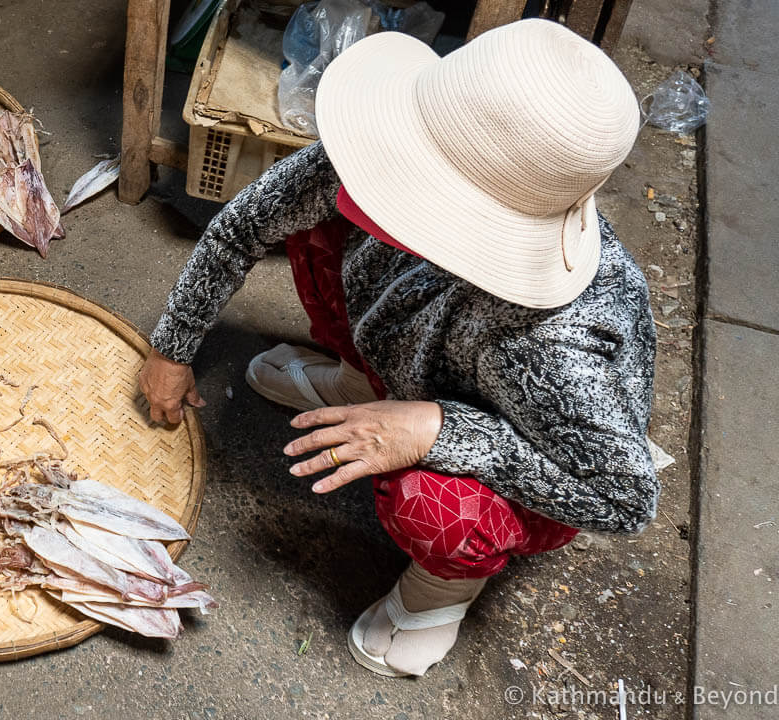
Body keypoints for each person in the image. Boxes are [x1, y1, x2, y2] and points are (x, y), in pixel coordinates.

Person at [139, 18, 658, 678]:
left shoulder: (558, 342)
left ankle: (439, 595)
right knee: (316, 224)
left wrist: (441, 429)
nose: (364, 179)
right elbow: (247, 224)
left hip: (515, 443)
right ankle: (358, 385)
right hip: (404, 353)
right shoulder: (390, 141)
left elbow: (621, 498)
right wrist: (173, 346)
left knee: (430, 503)